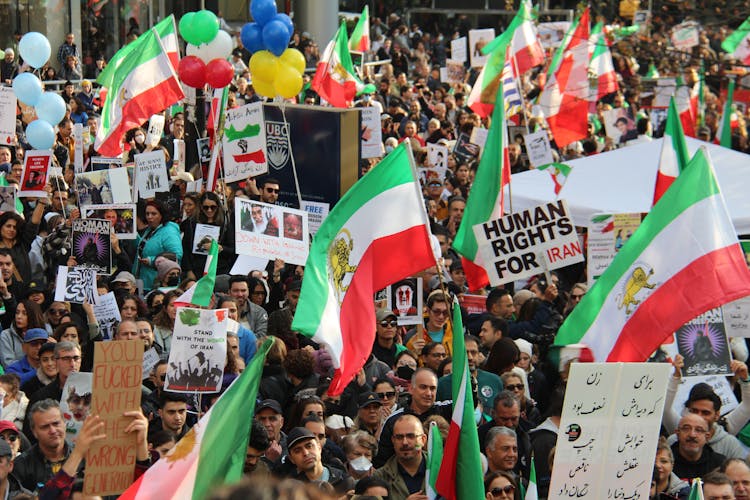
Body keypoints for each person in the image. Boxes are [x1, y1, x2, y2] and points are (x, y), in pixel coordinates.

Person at [375, 368, 451, 467]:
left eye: (432, 388)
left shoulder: (446, 411)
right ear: (411, 389)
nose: (428, 393)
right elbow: (383, 462)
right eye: (423, 387)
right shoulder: (393, 421)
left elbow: (467, 405)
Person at [23, 342, 81, 442]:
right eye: (66, 359)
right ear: (56, 361)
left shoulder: (94, 390)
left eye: (76, 358)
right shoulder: (41, 397)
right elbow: (30, 436)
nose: (72, 364)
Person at [14, 399, 72, 491]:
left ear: (64, 423)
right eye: (45, 427)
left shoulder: (85, 459)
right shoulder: (21, 466)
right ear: (34, 432)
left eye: (56, 423)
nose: (53, 431)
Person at [282, 427, 354, 494]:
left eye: (309, 446)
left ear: (319, 447)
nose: (306, 453)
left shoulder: (344, 481)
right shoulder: (291, 489)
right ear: (291, 459)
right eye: (297, 451)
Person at [372, 414, 428, 500]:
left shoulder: (441, 471)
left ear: (423, 440)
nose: (405, 442)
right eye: (399, 437)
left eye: (411, 436)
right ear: (393, 441)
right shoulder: (380, 478)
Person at [133, 200, 183, 292]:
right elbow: (143, 248)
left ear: (162, 215)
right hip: (145, 282)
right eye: (147, 214)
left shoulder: (169, 231)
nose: (149, 217)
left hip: (161, 285)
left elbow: (176, 255)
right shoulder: (151, 229)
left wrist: (152, 261)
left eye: (153, 214)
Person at [672, 413, 726, 480]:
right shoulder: (666, 461)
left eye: (698, 430)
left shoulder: (719, 464)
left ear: (707, 436)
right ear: (677, 433)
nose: (692, 435)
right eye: (686, 429)